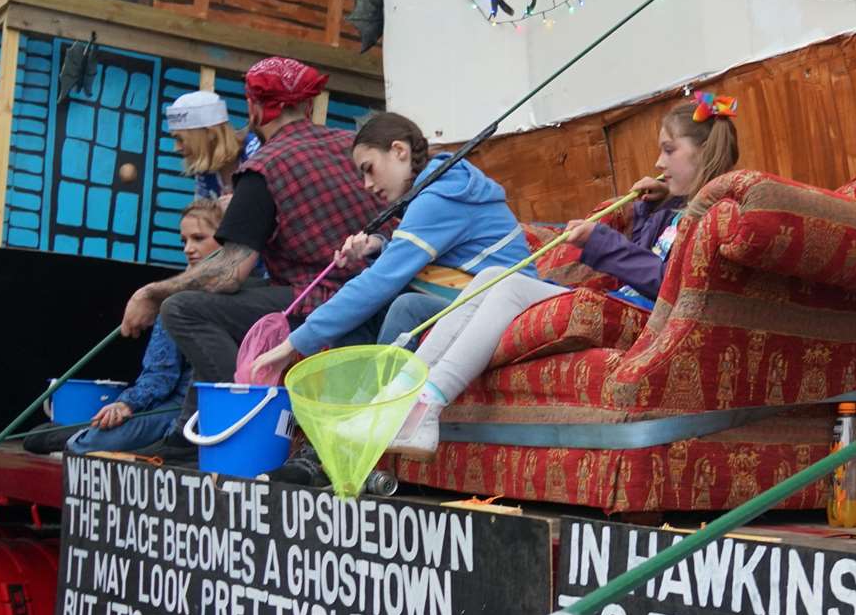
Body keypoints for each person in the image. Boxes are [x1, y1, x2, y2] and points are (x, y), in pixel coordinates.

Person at [376, 94, 741, 458]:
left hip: (646, 319)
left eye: (669, 150)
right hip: (629, 303)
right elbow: (649, 257)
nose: (659, 161)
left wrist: (601, 241)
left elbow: (668, 282)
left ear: (703, 152)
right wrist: (650, 209)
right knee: (492, 275)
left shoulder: (713, 217)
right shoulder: (680, 210)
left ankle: (428, 405)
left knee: (510, 286)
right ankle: (401, 397)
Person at [119, 59, 384, 397]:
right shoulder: (349, 143)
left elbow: (228, 274)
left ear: (252, 107)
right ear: (309, 104)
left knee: (182, 308)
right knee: (209, 299)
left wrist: (151, 293)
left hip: (321, 296)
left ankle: (242, 412)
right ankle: (186, 432)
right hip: (378, 289)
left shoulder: (263, 166)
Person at [245, 112, 530, 383]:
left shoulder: (440, 197)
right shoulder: (438, 189)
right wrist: (378, 247)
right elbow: (435, 258)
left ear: (399, 151)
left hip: (502, 303)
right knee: (362, 316)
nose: (367, 185)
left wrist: (293, 344)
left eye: (369, 169)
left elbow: (379, 282)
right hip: (471, 296)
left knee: (406, 306)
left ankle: (376, 413)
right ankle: (348, 409)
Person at [25, 200, 224, 456]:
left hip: (211, 409)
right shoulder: (174, 299)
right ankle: (75, 435)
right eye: (184, 241)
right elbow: (160, 375)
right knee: (93, 443)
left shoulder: (249, 294)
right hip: (174, 407)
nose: (189, 249)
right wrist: (126, 404)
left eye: (198, 238)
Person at [165, 90, 254, 201]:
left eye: (180, 139)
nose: (176, 148)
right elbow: (202, 215)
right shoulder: (205, 172)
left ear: (210, 133)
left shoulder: (256, 153)